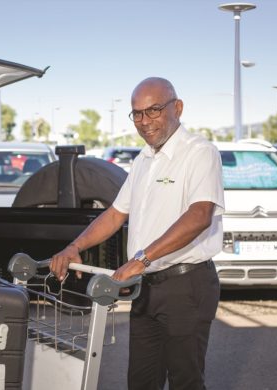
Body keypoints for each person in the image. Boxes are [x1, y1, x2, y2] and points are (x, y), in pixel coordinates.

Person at [50, 77, 225, 390]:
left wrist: (141, 259)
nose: (145, 121)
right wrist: (73, 247)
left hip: (187, 286)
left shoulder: (199, 152)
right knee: (141, 382)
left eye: (154, 110)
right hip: (148, 288)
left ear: (178, 108)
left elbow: (199, 216)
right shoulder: (144, 159)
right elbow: (116, 213)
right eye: (138, 114)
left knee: (186, 382)